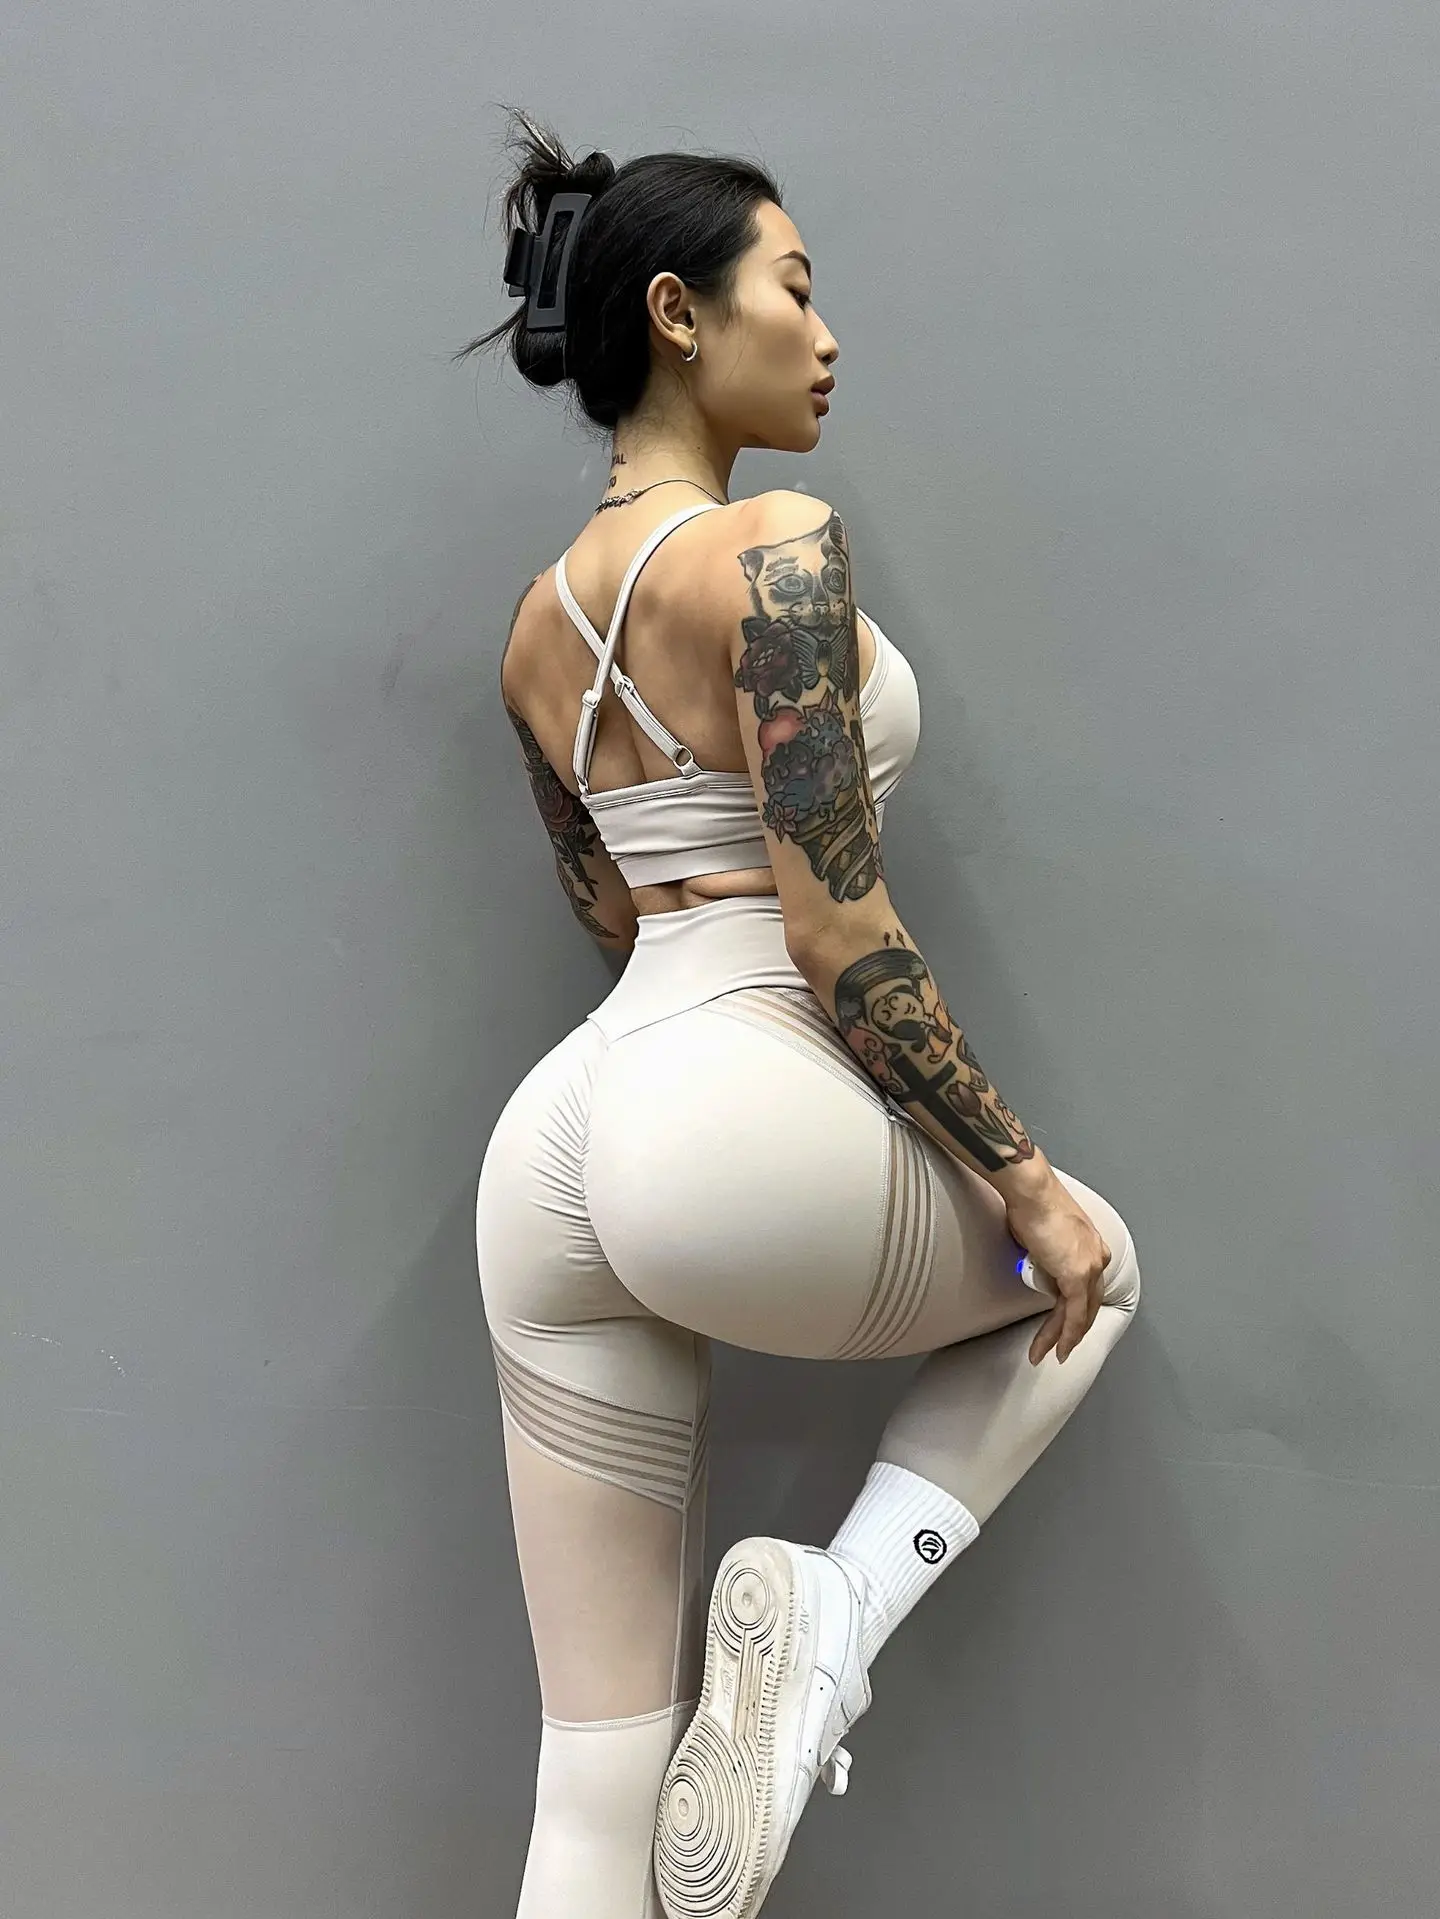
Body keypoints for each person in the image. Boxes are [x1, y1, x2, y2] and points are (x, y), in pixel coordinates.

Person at [462, 109, 1143, 1919]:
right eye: (796, 289)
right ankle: (832, 1609)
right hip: (732, 1083)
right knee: (1092, 1270)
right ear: (679, 314)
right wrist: (1024, 1178)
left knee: (594, 1762)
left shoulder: (535, 629)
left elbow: (610, 906)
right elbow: (834, 927)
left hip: (558, 1149)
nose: (826, 337)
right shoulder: (774, 546)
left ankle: (787, 1652)